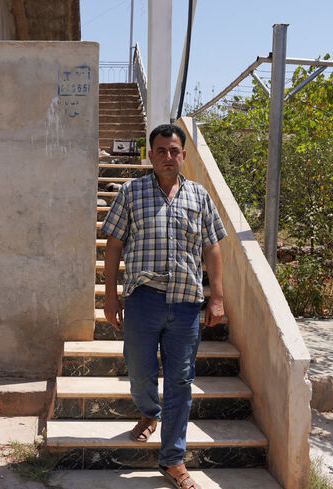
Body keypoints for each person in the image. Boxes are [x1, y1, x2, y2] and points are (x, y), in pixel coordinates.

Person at [100, 123, 227, 489]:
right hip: (144, 300)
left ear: (183, 155)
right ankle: (149, 412)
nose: (168, 157)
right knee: (140, 372)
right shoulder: (131, 192)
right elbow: (114, 246)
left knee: (180, 381)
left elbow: (212, 248)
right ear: (151, 155)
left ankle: (173, 459)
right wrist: (111, 296)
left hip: (186, 304)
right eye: (161, 151)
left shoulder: (199, 196)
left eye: (174, 151)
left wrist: (217, 297)